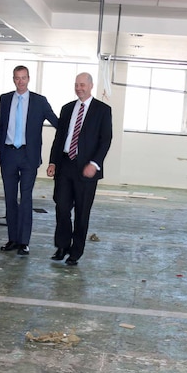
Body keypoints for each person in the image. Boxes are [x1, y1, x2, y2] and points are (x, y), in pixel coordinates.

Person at [46, 72, 113, 266]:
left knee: (82, 212)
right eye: (76, 84)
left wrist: (95, 163)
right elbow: (59, 139)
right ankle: (62, 246)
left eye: (82, 84)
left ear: (91, 86)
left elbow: (106, 140)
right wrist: (53, 162)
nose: (79, 88)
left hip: (86, 169)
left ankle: (76, 251)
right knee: (62, 207)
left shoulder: (102, 110)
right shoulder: (67, 109)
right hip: (65, 165)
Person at [0, 65, 58, 256]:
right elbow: (0, 125)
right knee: (10, 198)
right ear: (13, 79)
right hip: (8, 154)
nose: (20, 81)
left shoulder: (39, 101)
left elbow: (57, 122)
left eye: (23, 78)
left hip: (28, 156)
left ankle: (24, 242)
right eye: (16, 78)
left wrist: (75, 131)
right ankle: (13, 239)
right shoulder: (5, 99)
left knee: (26, 197)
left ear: (28, 79)